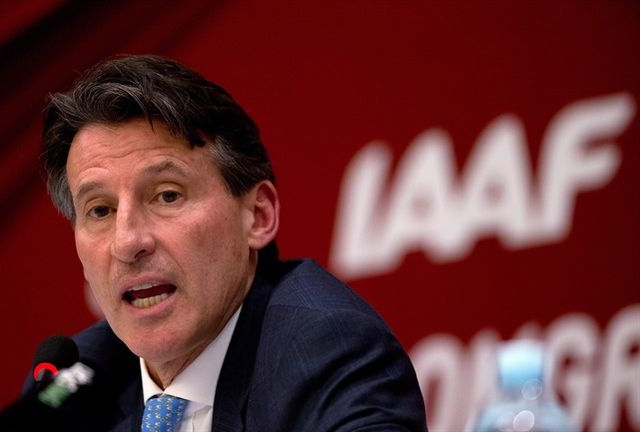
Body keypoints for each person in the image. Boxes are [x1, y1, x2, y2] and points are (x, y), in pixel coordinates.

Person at [35, 55, 426, 431]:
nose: (127, 242)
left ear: (258, 216)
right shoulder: (75, 384)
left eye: (167, 195)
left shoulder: (326, 352)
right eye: (100, 210)